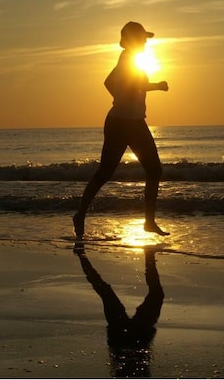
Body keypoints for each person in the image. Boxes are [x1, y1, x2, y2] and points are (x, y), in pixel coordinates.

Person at [73, 21, 170, 238]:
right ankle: (80, 215)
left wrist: (120, 99)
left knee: (154, 170)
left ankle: (149, 222)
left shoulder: (129, 59)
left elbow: (107, 82)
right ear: (134, 39)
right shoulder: (129, 60)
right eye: (143, 38)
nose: (146, 42)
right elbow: (134, 85)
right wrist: (158, 86)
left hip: (131, 121)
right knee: (106, 172)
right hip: (121, 123)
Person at [73, 243, 164, 377]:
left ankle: (82, 255)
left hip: (125, 338)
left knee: (105, 291)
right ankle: (81, 255)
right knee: (106, 291)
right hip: (129, 338)